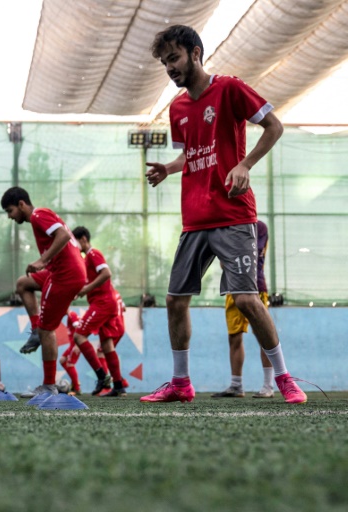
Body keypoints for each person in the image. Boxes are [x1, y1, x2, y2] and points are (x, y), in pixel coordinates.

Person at [141, 25, 306, 404]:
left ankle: (283, 378)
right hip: (194, 220)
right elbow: (189, 154)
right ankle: (181, 384)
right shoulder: (178, 108)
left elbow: (273, 126)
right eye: (165, 62)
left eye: (175, 58)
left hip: (233, 215)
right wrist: (168, 168)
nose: (169, 67)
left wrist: (245, 164)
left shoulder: (229, 88)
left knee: (247, 300)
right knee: (174, 300)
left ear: (196, 53)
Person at [1, 187, 86, 399]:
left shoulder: (39, 215)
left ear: (21, 204)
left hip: (64, 275)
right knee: (23, 284)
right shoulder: (40, 218)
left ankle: (49, 386)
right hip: (61, 272)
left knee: (48, 329)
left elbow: (64, 235)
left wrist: (42, 260)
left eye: (10, 211)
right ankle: (35, 330)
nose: (10, 217)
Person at [212, 220, 275, 398]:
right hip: (233, 287)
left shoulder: (259, 227)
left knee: (264, 336)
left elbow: (253, 252)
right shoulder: (226, 228)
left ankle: (268, 385)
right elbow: (224, 261)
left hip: (255, 287)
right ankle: (236, 385)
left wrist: (230, 255)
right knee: (234, 336)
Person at [71, 226, 127, 396]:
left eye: (74, 242)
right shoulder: (86, 259)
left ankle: (101, 376)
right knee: (106, 345)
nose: (74, 247)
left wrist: (87, 289)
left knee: (79, 336)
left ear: (83, 239)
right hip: (104, 302)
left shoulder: (93, 254)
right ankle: (118, 386)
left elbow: (106, 273)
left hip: (102, 302)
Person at [58, 310, 82, 394]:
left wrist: (77, 344)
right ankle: (75, 381)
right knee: (62, 360)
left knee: (70, 364)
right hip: (72, 345)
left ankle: (76, 388)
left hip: (75, 345)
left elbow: (78, 328)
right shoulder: (70, 316)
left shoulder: (72, 315)